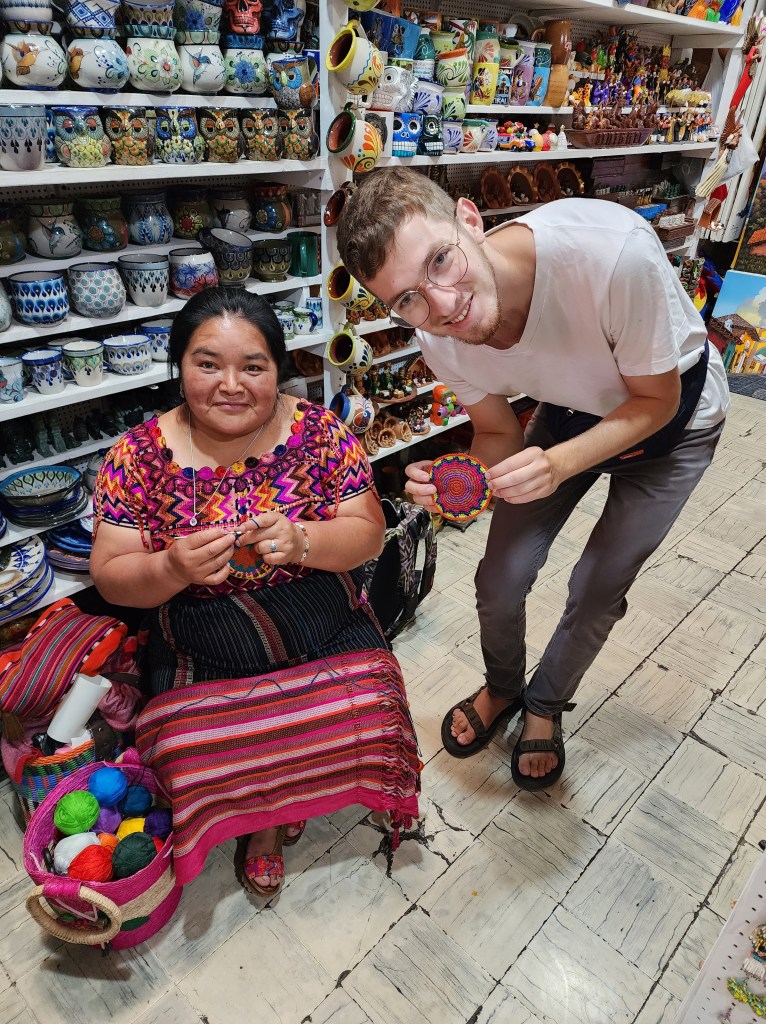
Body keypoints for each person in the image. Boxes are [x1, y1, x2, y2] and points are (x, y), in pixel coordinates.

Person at [337, 167, 728, 791]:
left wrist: (561, 463)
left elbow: (655, 401)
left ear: (471, 219)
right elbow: (498, 434)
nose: (442, 305)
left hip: (674, 416)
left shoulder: (611, 255)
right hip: (571, 410)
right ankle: (502, 687)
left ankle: (545, 704)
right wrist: (462, 477)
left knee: (599, 584)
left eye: (441, 261)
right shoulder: (438, 338)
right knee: (498, 577)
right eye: (406, 297)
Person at [90, 288, 419, 894]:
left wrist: (303, 542)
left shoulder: (320, 434)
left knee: (371, 697)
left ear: (279, 369)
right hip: (197, 627)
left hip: (315, 607)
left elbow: (368, 535)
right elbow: (110, 574)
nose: (230, 385)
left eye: (254, 366)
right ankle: (263, 822)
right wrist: (171, 568)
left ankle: (290, 799)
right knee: (189, 736)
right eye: (207, 363)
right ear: (179, 367)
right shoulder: (137, 457)